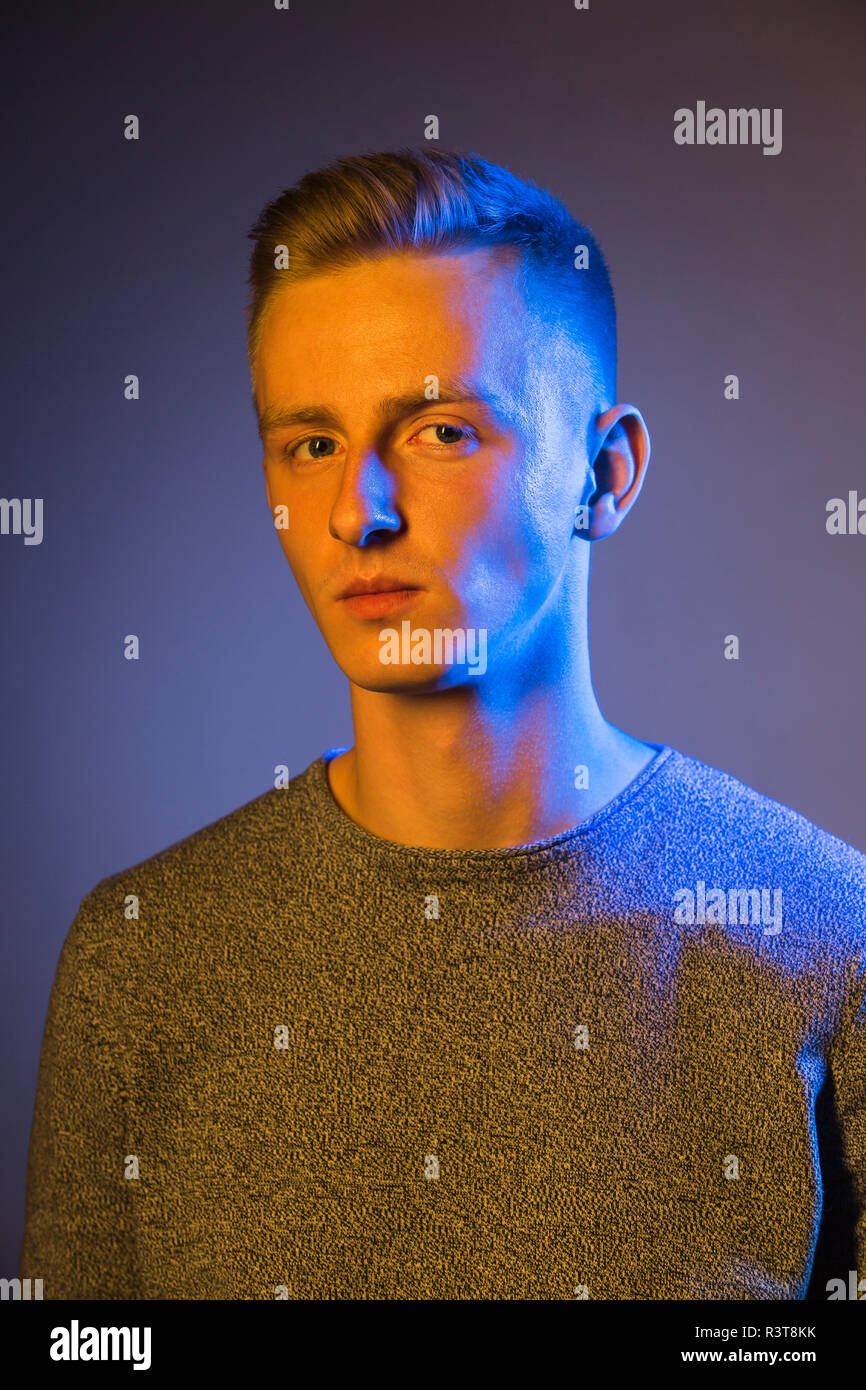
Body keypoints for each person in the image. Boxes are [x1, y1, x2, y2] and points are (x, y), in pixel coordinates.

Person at [20, 148, 866, 1299]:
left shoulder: (829, 941)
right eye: (309, 444)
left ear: (603, 473)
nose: (355, 511)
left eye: (442, 432)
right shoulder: (140, 951)